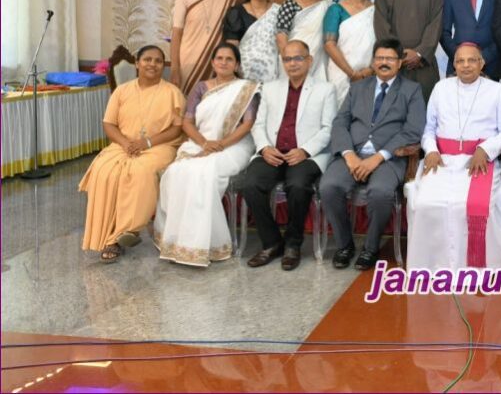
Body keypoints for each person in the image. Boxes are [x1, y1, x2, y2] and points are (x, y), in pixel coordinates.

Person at [405, 43, 501, 270]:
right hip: (442, 161)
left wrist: (485, 150)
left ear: (482, 63)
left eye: (472, 60)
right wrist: (432, 150)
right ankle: (432, 266)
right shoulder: (441, 88)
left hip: (478, 163)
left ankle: (475, 267)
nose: (466, 65)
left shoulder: (497, 91)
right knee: (426, 202)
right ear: (453, 65)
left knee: (472, 205)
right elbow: (429, 128)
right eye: (460, 61)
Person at [321, 38, 426, 271]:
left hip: (389, 158)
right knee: (329, 187)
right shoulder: (358, 87)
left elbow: (413, 129)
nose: (384, 62)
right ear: (373, 61)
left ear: (399, 62)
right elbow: (340, 123)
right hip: (352, 154)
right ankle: (344, 245)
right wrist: (349, 155)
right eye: (379, 58)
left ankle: (370, 247)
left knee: (380, 192)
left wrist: (378, 157)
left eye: (390, 58)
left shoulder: (412, 90)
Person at [155, 43, 260, 267]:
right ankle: (177, 241)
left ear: (237, 65)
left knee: (205, 171)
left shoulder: (247, 88)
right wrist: (204, 142)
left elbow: (248, 123)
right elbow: (187, 121)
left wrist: (220, 144)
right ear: (212, 62)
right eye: (219, 58)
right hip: (200, 142)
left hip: (235, 145)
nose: (223, 62)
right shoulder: (201, 87)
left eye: (229, 59)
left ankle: (204, 245)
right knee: (177, 172)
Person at [79, 45, 185, 262]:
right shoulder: (122, 91)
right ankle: (109, 234)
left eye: (158, 61)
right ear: (137, 63)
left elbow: (177, 129)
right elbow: (109, 124)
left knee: (140, 170)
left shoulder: (172, 93)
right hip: (123, 144)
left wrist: (147, 142)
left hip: (159, 146)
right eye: (147, 59)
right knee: (103, 171)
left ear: (163, 66)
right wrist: (126, 143)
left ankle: (124, 233)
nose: (152, 64)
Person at [242, 40, 337, 271]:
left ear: (309, 60)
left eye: (297, 58)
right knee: (250, 184)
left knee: (298, 185)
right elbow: (258, 124)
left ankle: (293, 244)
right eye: (287, 59)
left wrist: (305, 150)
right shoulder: (270, 88)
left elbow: (329, 128)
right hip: (273, 152)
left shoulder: (325, 89)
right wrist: (265, 148)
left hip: (306, 154)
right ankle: (272, 242)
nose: (292, 63)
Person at [374, 0, 444, 101]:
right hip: (394, 64)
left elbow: (435, 27)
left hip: (424, 65)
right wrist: (398, 55)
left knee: (425, 109)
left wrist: (419, 54)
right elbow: (382, 28)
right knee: (392, 109)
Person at [170, 0, 240, 95]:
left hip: (217, 62)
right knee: (188, 102)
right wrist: (175, 68)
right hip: (188, 62)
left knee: (213, 101)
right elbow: (176, 34)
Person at [324, 0, 376, 107]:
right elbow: (329, 45)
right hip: (341, 74)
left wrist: (370, 70)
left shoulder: (376, 10)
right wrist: (352, 73)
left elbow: (381, 42)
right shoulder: (335, 10)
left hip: (369, 74)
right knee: (339, 113)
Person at [276, 0, 331, 81]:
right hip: (292, 65)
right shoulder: (289, 4)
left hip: (319, 64)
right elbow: (281, 37)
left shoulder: (328, 6)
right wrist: (290, 62)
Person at [224, 0, 280, 83]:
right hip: (243, 75)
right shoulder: (236, 13)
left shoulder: (279, 11)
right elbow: (231, 49)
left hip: (273, 75)